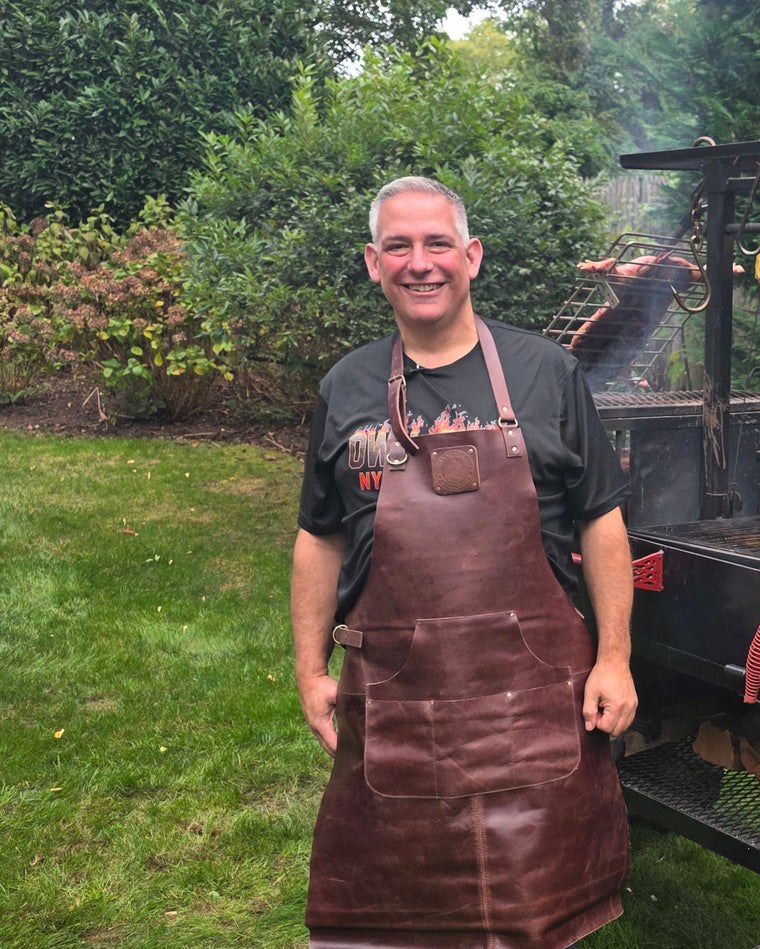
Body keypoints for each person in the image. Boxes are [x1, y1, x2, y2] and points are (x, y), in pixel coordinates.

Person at [291, 176, 635, 949]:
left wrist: (614, 656)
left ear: (471, 257)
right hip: (397, 698)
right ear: (373, 263)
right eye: (400, 246)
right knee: (396, 906)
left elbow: (601, 519)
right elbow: (319, 534)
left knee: (536, 906)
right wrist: (310, 669)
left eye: (438, 243)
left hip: (532, 697)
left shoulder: (548, 373)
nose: (421, 263)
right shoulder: (345, 387)